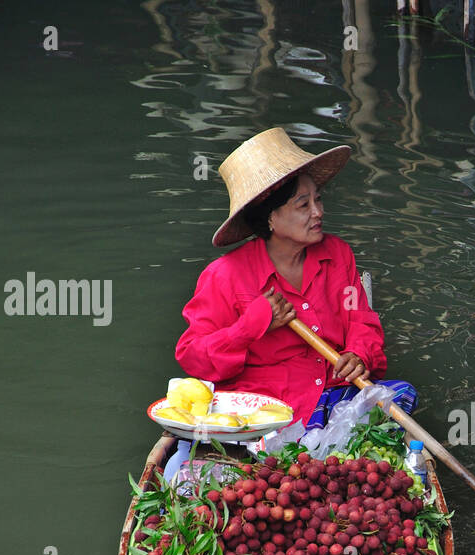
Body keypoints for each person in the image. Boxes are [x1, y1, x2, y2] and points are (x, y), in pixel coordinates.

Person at [175, 127, 416, 428]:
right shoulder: (224, 275)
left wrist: (358, 353)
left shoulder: (338, 255)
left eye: (318, 200)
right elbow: (193, 357)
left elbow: (361, 319)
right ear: (270, 217)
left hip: (331, 395)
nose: (318, 212)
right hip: (265, 411)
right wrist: (252, 325)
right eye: (303, 205)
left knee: (403, 394)